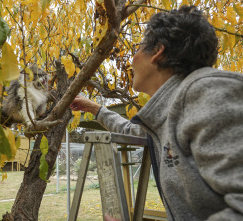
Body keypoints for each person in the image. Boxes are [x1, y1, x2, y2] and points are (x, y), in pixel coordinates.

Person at [70, 5, 243, 221]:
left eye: (138, 48)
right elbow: (131, 130)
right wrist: (94, 108)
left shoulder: (206, 92)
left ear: (158, 51)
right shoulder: (170, 111)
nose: (131, 60)